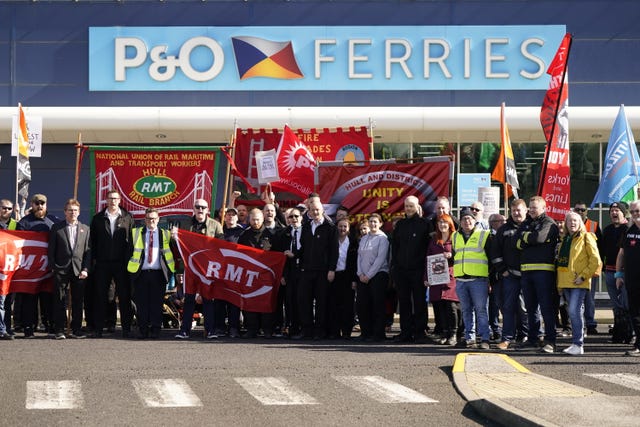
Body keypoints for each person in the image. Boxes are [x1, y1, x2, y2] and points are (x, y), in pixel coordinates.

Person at [173, 199, 223, 340]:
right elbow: (178, 248)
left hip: (207, 269)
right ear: (193, 209)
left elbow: (221, 247)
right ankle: (184, 330)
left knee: (208, 299)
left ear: (207, 210)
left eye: (203, 207)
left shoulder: (216, 225)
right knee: (188, 299)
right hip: (190, 268)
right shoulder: (185, 224)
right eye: (198, 207)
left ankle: (210, 330)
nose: (200, 209)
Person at [517, 196, 560, 353]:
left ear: (544, 208)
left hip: (544, 271)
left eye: (535, 207)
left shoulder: (549, 223)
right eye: (530, 207)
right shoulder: (526, 223)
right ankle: (533, 339)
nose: (531, 210)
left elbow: (539, 238)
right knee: (530, 308)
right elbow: (517, 241)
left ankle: (550, 341)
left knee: (546, 307)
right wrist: (528, 238)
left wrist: (526, 237)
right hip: (527, 271)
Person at [90, 189, 134, 338]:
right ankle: (99, 328)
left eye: (115, 198)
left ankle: (126, 328)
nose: (113, 201)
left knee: (124, 296)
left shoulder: (127, 217)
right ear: (106, 200)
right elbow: (92, 242)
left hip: (122, 264)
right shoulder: (98, 219)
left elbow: (132, 242)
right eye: (110, 198)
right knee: (101, 296)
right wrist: (93, 262)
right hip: (102, 263)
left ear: (120, 200)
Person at [556, 211, 602, 355]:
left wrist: (583, 277)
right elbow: (561, 265)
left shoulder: (587, 237)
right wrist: (559, 285)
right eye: (569, 221)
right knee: (575, 312)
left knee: (574, 311)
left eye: (575, 220)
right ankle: (576, 343)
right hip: (566, 282)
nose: (572, 223)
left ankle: (578, 343)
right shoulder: (565, 240)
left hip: (578, 282)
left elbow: (595, 260)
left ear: (581, 222)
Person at [294, 198, 338, 340]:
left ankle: (319, 331)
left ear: (322, 210)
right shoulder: (306, 226)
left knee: (321, 302)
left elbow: (334, 251)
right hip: (306, 270)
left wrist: (331, 269)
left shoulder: (331, 227)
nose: (315, 212)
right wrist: (293, 254)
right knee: (304, 300)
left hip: (323, 271)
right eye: (312, 210)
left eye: (317, 209)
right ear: (309, 212)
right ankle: (307, 330)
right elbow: (303, 247)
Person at [17, 194, 61, 338]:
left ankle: (49, 326)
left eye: (42, 203)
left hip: (49, 267)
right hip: (30, 268)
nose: (40, 206)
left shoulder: (54, 221)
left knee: (48, 299)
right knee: (29, 300)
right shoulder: (24, 223)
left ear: (46, 205)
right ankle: (29, 327)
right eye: (37, 203)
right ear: (32, 204)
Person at [128, 208, 175, 339]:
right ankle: (143, 330)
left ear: (158, 219)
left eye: (154, 218)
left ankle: (155, 330)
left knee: (156, 304)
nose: (151, 221)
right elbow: (129, 252)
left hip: (158, 274)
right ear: (145, 220)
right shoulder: (136, 233)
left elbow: (172, 251)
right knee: (141, 304)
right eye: (149, 218)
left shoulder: (165, 234)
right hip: (141, 273)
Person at [390, 195, 432, 343]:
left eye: (411, 206)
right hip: (401, 271)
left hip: (418, 270)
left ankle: (420, 333)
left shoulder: (425, 224)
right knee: (404, 302)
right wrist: (395, 268)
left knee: (420, 302)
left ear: (417, 207)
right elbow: (395, 248)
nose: (408, 209)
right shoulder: (400, 225)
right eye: (406, 206)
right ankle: (405, 332)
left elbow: (429, 248)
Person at [48, 199, 91, 339]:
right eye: (70, 210)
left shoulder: (85, 229)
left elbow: (88, 252)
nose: (73, 213)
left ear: (79, 212)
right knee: (60, 300)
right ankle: (59, 329)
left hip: (79, 270)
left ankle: (76, 329)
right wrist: (53, 267)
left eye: (75, 210)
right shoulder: (57, 228)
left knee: (78, 301)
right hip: (61, 270)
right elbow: (51, 250)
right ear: (65, 212)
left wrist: (85, 268)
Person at [492, 199, 529, 350]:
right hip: (511, 275)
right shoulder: (503, 230)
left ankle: (528, 335)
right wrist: (503, 270)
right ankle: (506, 338)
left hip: (529, 275)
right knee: (508, 307)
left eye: (519, 210)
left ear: (526, 210)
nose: (516, 213)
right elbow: (495, 252)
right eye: (513, 211)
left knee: (528, 308)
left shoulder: (531, 227)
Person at [452, 208, 492, 349]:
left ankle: (485, 339)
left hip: (478, 280)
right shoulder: (455, 236)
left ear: (475, 220)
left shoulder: (484, 235)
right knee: (466, 311)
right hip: (461, 280)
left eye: (469, 218)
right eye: (464, 219)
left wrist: (490, 279)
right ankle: (470, 338)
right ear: (460, 222)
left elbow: (491, 258)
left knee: (481, 310)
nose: (467, 221)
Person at [237, 208, 277, 338]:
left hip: (266, 275)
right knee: (250, 302)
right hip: (249, 275)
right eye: (253, 219)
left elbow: (277, 255)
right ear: (249, 220)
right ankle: (251, 329)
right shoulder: (244, 236)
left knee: (266, 302)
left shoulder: (271, 235)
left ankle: (267, 329)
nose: (255, 222)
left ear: (262, 219)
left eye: (258, 219)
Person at [423, 214, 460, 346]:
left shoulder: (456, 238)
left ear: (450, 224)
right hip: (436, 278)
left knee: (451, 307)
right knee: (440, 307)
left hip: (452, 277)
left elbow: (462, 255)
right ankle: (445, 333)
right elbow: (428, 259)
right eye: (440, 222)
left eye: (445, 222)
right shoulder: (434, 240)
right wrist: (426, 278)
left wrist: (452, 256)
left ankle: (454, 334)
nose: (442, 225)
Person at [356, 214, 390, 342]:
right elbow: (359, 257)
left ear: (380, 223)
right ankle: (365, 333)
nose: (373, 224)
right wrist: (360, 273)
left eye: (375, 222)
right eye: (370, 222)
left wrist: (369, 275)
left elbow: (380, 259)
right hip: (363, 276)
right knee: (362, 305)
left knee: (377, 305)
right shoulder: (364, 238)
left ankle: (378, 334)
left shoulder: (383, 239)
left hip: (378, 275)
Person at [601, 202, 632, 343]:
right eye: (612, 211)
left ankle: (629, 334)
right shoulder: (607, 230)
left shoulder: (629, 229)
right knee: (616, 306)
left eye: (617, 210)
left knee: (627, 304)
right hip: (609, 272)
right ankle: (618, 335)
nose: (614, 213)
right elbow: (601, 251)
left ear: (624, 212)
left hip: (625, 273)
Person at [615, 200, 640, 357]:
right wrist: (618, 274)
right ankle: (638, 344)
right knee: (635, 314)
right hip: (632, 280)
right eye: (633, 212)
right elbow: (621, 254)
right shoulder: (629, 230)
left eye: (638, 211)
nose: (636, 214)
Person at [573, 201, 602, 335]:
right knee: (576, 299)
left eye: (582, 210)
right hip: (575, 269)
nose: (579, 212)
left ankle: (590, 324)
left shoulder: (594, 225)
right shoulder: (571, 225)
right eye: (577, 210)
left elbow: (601, 248)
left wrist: (600, 267)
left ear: (586, 212)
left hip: (590, 268)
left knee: (589, 298)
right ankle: (579, 325)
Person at [328, 217, 358, 339]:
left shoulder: (353, 242)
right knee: (334, 304)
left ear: (349, 229)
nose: (342, 229)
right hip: (334, 276)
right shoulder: (332, 241)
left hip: (348, 277)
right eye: (340, 226)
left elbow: (356, 262)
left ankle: (346, 332)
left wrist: (354, 279)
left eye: (345, 226)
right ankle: (335, 331)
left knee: (347, 305)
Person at [217, 207, 244, 338]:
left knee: (234, 301)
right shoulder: (219, 230)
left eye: (233, 215)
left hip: (235, 271)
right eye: (228, 214)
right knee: (220, 300)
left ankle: (234, 327)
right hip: (220, 270)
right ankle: (220, 327)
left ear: (237, 218)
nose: (230, 217)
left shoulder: (242, 232)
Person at [278, 207, 304, 338]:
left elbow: (309, 250)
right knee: (290, 301)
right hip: (289, 272)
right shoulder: (284, 233)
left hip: (304, 270)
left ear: (301, 217)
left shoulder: (307, 231)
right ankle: (292, 328)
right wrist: (282, 274)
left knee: (302, 300)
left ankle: (303, 328)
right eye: (291, 217)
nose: (294, 219)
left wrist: (295, 255)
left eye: (296, 216)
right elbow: (280, 255)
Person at [0, 199, 18, 340]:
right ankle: (2, 329)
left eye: (9, 208)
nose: (6, 210)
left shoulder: (16, 225)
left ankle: (6, 327)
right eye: (3, 208)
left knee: (7, 301)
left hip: (9, 269)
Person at [487, 213, 506, 341]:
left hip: (508, 275)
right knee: (494, 305)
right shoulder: (488, 237)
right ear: (493, 223)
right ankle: (495, 329)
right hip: (494, 276)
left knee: (508, 305)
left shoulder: (507, 234)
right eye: (501, 221)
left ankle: (509, 331)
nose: (504, 222)